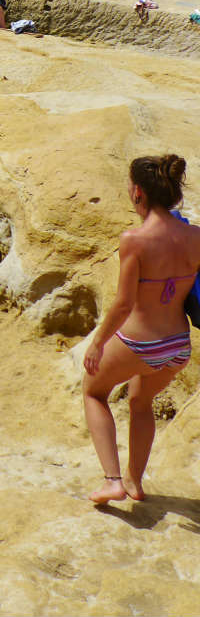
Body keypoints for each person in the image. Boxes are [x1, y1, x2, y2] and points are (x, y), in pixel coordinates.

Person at [82, 154, 200, 504]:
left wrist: (98, 343)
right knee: (141, 400)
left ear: (137, 193)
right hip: (178, 345)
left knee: (93, 391)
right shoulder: (195, 235)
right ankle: (134, 482)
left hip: (139, 341)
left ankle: (113, 481)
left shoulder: (134, 239)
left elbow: (122, 304)